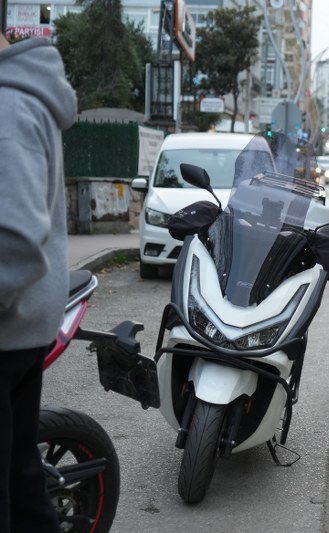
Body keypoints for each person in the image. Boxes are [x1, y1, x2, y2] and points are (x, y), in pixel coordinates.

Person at [0, 33, 77, 532]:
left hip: (9, 328)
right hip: (23, 325)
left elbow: (16, 238)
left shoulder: (7, 106)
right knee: (19, 482)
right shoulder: (21, 97)